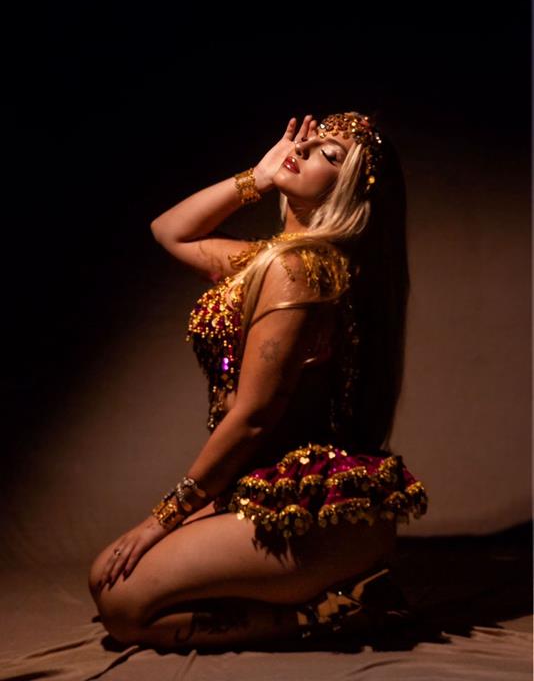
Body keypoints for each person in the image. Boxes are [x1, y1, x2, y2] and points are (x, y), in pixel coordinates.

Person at [88, 111, 429, 650]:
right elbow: (170, 231)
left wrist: (162, 518)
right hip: (262, 487)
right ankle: (324, 592)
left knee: (123, 607)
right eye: (309, 141)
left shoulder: (301, 270)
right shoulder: (269, 261)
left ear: (348, 192)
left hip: (312, 511)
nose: (305, 149)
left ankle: (347, 611)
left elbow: (253, 417)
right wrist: (258, 177)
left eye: (329, 154)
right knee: (106, 579)